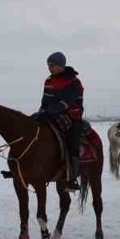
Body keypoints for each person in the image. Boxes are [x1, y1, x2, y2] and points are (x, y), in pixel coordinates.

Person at [32, 52, 84, 191]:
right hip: (50, 114)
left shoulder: (74, 82)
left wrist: (48, 113)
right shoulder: (48, 81)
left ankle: (71, 177)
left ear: (61, 66)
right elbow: (45, 101)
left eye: (52, 65)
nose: (49, 68)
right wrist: (41, 113)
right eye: (48, 65)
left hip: (71, 116)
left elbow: (65, 103)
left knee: (72, 142)